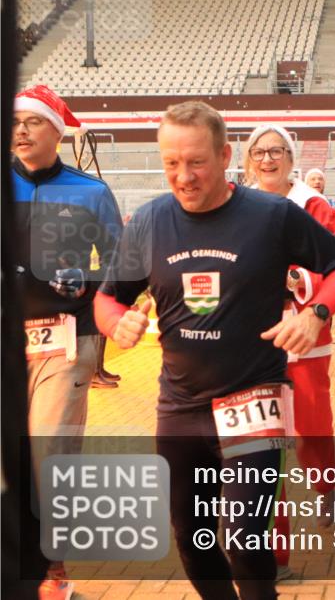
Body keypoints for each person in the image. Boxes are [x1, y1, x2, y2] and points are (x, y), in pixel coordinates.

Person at [95, 101, 335, 600]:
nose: (184, 176)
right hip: (180, 408)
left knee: (244, 537)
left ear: (224, 156)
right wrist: (116, 322)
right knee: (191, 541)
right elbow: (108, 296)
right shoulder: (150, 220)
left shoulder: (273, 215)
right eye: (171, 163)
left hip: (252, 400)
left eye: (196, 162)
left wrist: (316, 313)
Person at [11, 85, 124, 600]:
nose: (20, 130)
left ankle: (52, 574)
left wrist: (91, 285)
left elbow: (125, 265)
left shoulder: (91, 192)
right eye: (13, 121)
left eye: (31, 121)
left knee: (48, 451)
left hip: (65, 340)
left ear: (56, 130)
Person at [241, 124, 335, 577]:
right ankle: (273, 554)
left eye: (277, 151)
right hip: (250, 343)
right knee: (264, 446)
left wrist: (294, 280)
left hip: (304, 341)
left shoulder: (313, 206)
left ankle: (325, 485)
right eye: (259, 152)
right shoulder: (234, 204)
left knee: (310, 435)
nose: (268, 159)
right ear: (247, 159)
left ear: (291, 156)